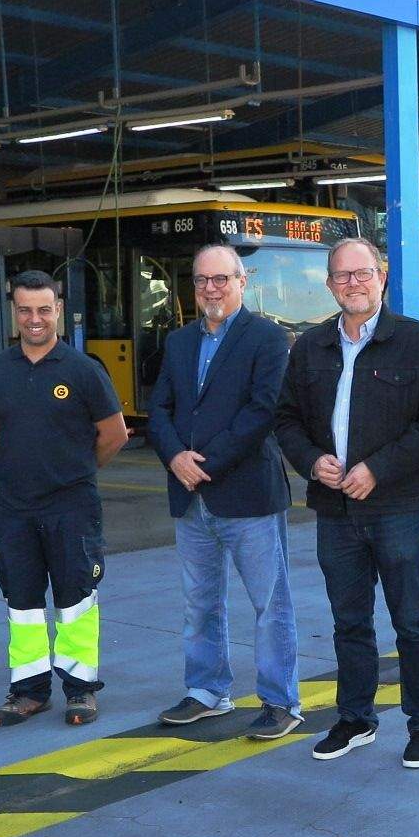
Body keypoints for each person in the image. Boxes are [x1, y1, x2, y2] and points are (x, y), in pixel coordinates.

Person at [276, 237, 419, 767]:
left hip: (397, 506)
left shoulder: (417, 342)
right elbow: (286, 419)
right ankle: (355, 718)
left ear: (381, 278)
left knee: (411, 619)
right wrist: (312, 461)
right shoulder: (310, 348)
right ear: (329, 284)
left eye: (362, 273)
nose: (352, 283)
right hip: (335, 511)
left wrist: (378, 469)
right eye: (341, 276)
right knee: (349, 621)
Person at [147, 242, 301, 740]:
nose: (211, 289)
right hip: (191, 499)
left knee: (269, 603)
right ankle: (207, 692)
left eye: (221, 279)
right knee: (200, 603)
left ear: (242, 282)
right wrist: (175, 458)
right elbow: (161, 410)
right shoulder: (178, 342)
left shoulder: (268, 338)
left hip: (248, 496)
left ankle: (280, 701)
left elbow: (261, 413)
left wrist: (202, 464)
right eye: (201, 281)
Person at [0, 271, 129, 727]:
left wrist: (72, 469)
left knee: (76, 598)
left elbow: (114, 434)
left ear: (58, 309)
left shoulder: (83, 370)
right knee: (21, 601)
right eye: (25, 310)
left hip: (72, 507)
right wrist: (24, 463)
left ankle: (80, 690)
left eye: (44, 309)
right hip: (15, 508)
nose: (35, 319)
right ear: (14, 312)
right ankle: (29, 692)